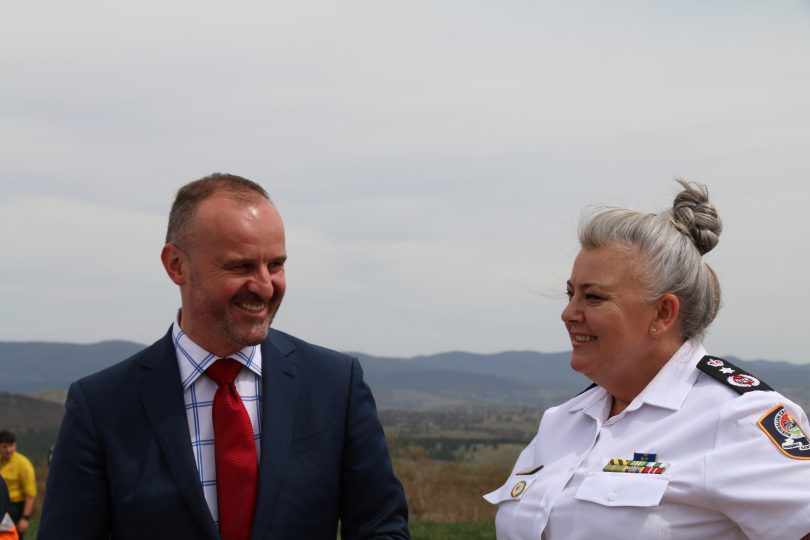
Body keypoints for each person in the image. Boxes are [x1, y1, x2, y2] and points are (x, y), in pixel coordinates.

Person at [39, 173, 410, 540]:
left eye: (276, 265)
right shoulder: (101, 406)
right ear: (176, 265)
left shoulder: (335, 384)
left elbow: (382, 529)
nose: (265, 286)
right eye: (241, 266)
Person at [485, 180, 810, 539]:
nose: (568, 313)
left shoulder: (737, 419)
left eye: (592, 298)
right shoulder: (562, 422)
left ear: (663, 314)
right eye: (570, 293)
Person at [0, 432, 35, 540]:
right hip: (2, 506)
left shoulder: (23, 464)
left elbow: (30, 493)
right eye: (4, 447)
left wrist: (25, 518)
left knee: (11, 537)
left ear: (15, 445)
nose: (8, 450)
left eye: (11, 446)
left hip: (16, 509)